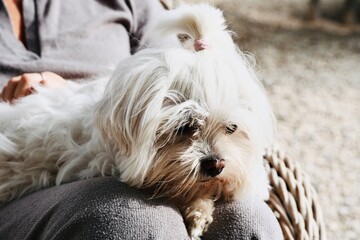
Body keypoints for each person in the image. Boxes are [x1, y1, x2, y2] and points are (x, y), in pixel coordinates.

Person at [0, 0, 283, 239]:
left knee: (247, 219)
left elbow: (191, 61)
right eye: (186, 128)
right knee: (134, 221)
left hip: (122, 138)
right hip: (27, 176)